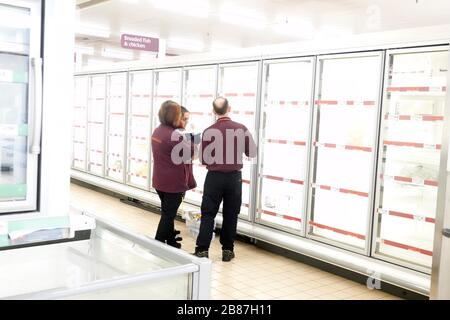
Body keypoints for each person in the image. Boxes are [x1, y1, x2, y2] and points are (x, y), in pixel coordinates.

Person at [193, 97, 257, 261]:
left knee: (208, 213)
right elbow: (252, 153)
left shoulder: (208, 131)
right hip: (234, 179)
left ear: (214, 112)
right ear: (230, 108)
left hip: (214, 178)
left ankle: (202, 250)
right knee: (231, 214)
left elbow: (203, 160)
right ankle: (227, 250)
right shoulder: (241, 129)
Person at [151, 101, 196, 248]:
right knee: (168, 215)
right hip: (173, 185)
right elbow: (192, 155)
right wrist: (193, 139)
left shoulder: (158, 131)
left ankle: (170, 240)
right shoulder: (174, 136)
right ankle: (157, 245)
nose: (184, 120)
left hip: (160, 181)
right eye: (181, 117)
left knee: (167, 212)